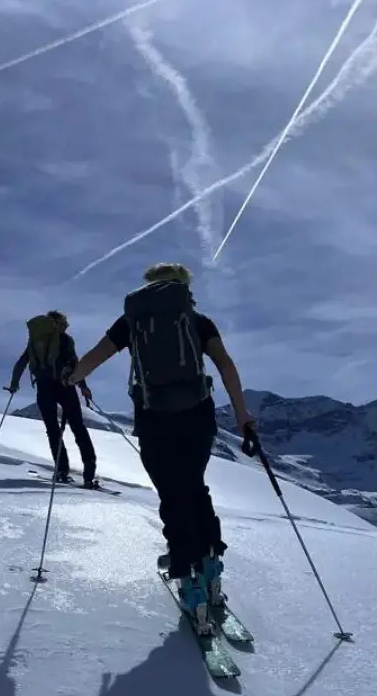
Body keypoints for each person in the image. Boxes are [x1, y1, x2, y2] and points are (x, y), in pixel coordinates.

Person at [67, 263, 256, 633]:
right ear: (186, 288)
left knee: (172, 495)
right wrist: (243, 415)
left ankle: (190, 585)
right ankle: (211, 567)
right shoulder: (197, 320)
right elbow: (225, 365)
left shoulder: (133, 322)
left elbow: (92, 358)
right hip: (198, 416)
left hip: (154, 419)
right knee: (195, 487)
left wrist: (72, 377)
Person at [7, 310, 99, 488]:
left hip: (44, 388)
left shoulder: (35, 341)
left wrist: (14, 383)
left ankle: (62, 470)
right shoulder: (65, 340)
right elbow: (75, 364)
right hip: (65, 386)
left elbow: (21, 362)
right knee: (77, 427)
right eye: (65, 323)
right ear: (59, 324)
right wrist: (83, 386)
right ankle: (89, 474)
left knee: (53, 430)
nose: (66, 326)